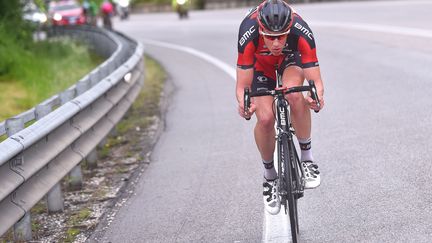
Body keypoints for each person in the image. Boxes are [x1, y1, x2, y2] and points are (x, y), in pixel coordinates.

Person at [236, 0, 325, 215]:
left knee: (294, 93)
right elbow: (242, 87)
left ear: (289, 29)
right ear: (260, 30)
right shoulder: (248, 32)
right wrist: (244, 104)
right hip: (259, 66)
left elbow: (316, 82)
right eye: (270, 37)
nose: (276, 43)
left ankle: (307, 159)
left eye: (281, 36)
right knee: (265, 119)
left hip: (291, 59)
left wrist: (316, 98)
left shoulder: (301, 29)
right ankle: (269, 176)